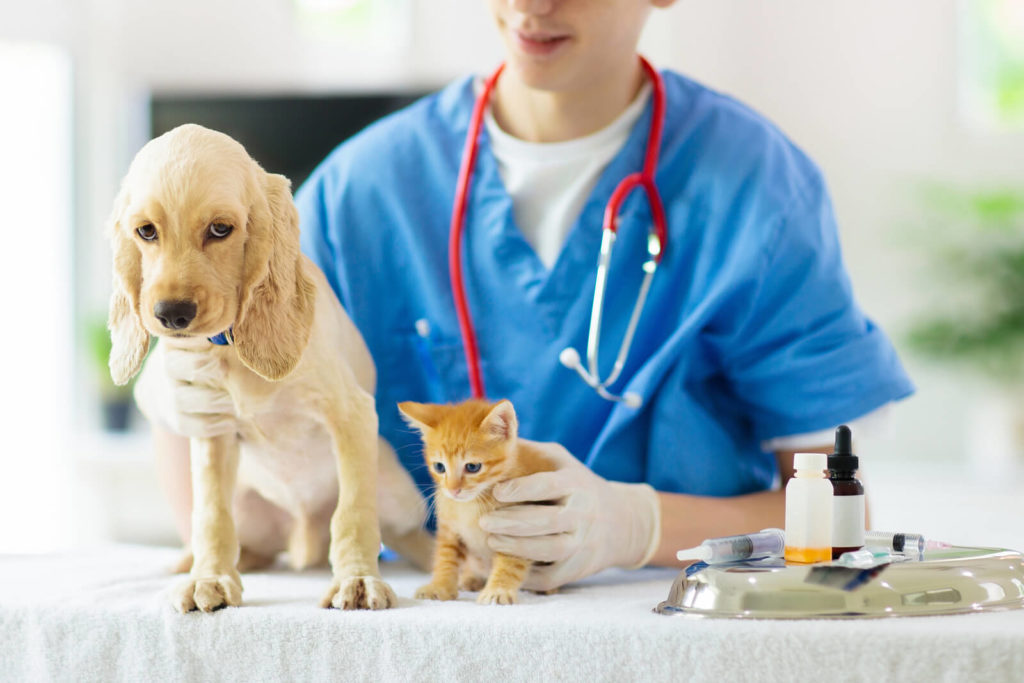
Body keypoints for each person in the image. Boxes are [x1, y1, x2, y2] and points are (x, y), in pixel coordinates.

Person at [148, 0, 913, 592]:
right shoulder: (364, 187)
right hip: (427, 630)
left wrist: (638, 527)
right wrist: (174, 394)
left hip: (677, 634)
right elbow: (219, 473)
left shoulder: (758, 189)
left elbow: (839, 525)